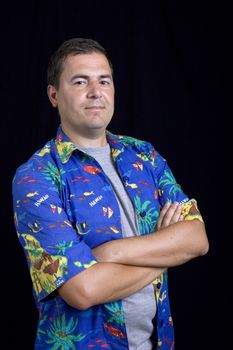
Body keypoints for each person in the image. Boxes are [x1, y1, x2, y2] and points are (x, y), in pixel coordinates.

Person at [12, 38, 209, 350]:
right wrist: (170, 251)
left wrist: (112, 252)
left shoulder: (144, 155)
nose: (95, 92)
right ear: (53, 95)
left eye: (103, 80)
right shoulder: (36, 177)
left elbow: (197, 239)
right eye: (80, 82)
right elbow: (82, 290)